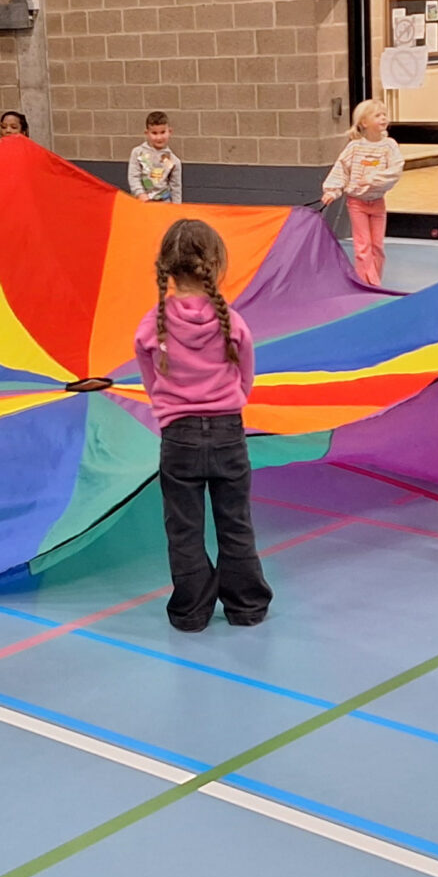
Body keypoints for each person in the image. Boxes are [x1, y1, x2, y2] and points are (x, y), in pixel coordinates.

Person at [135, 219, 269, 634]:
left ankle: (190, 611)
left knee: (184, 530)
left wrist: (176, 408)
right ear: (216, 264)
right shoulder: (232, 321)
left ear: (165, 268)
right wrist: (224, 405)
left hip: (179, 438)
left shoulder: (152, 326)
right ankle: (246, 605)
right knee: (236, 522)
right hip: (228, 433)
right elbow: (245, 379)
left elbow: (151, 382)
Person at [320, 99, 404, 286]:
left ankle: (375, 279)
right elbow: (341, 169)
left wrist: (374, 178)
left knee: (377, 246)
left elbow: (395, 170)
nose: (383, 118)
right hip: (357, 204)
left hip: (377, 202)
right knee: (362, 246)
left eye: (384, 115)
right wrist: (332, 191)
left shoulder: (389, 146)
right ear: (364, 122)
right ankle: (367, 283)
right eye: (377, 115)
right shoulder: (354, 147)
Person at [128, 110, 182, 203]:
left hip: (164, 204)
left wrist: (176, 207)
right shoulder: (137, 153)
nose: (159, 137)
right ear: (147, 133)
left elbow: (176, 188)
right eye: (154, 133)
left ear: (169, 132)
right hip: (142, 202)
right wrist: (140, 193)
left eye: (162, 132)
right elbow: (134, 177)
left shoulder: (174, 161)